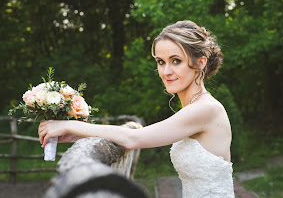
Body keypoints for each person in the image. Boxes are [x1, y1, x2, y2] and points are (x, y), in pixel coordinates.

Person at [38, 20, 235, 198]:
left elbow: (134, 138)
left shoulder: (205, 109)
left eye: (176, 61)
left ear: (200, 63)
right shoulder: (195, 108)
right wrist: (79, 134)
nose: (166, 71)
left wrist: (67, 125)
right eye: (161, 61)